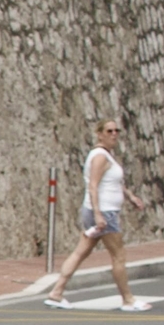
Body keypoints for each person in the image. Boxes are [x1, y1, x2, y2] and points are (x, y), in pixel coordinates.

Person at [45, 120, 145, 311]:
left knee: (81, 251)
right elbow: (93, 185)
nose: (114, 134)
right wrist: (99, 215)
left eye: (117, 130)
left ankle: (56, 293)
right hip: (104, 212)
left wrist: (130, 196)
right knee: (118, 255)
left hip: (101, 210)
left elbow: (115, 182)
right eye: (109, 131)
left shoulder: (107, 156)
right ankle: (128, 300)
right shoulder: (100, 157)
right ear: (99, 134)